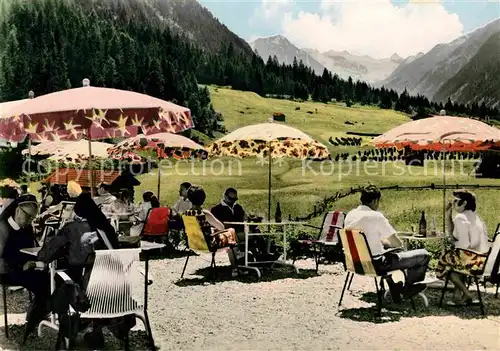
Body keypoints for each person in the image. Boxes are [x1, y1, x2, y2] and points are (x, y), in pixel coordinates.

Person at [344, 185, 430, 301]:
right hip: (376, 265)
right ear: (375, 201)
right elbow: (397, 243)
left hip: (355, 263)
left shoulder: (350, 215)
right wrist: (388, 244)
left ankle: (395, 288)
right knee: (424, 255)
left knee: (390, 253)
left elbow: (364, 240)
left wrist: (382, 242)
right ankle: (407, 289)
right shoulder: (376, 216)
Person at [0, 195, 51, 340]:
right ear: (17, 210)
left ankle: (35, 316)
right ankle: (35, 318)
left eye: (32, 218)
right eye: (28, 216)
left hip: (25, 269)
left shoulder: (26, 228)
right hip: (6, 273)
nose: (29, 221)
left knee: (51, 279)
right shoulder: (2, 228)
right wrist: (21, 267)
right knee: (44, 283)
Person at [436, 189, 490, 305]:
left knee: (444, 265)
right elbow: (455, 235)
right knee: (454, 261)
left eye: (456, 200)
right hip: (482, 259)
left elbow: (464, 245)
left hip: (472, 260)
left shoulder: (461, 218)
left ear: (464, 203)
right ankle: (458, 297)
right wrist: (448, 215)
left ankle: (466, 293)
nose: (453, 203)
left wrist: (452, 243)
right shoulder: (475, 217)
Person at [184, 186, 238, 274]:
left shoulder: (186, 214)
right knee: (231, 231)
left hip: (194, 243)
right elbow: (221, 227)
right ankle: (235, 268)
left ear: (190, 199)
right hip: (209, 244)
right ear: (203, 199)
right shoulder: (205, 213)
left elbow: (199, 230)